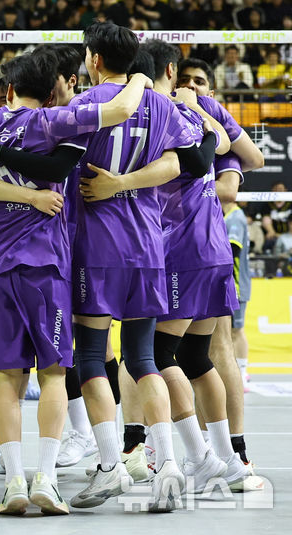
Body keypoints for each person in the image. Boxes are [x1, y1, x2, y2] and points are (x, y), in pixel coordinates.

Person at [0, 46, 155, 514]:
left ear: (7, 90)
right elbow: (121, 109)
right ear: (51, 93)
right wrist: (142, 76)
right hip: (46, 264)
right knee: (54, 372)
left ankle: (14, 483)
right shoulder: (59, 120)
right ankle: (46, 477)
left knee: (6, 376)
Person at [177, 56, 266, 492]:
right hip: (163, 248)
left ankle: (232, 449)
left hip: (203, 248)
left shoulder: (213, 126)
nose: (192, 86)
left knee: (214, 348)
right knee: (164, 353)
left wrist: (176, 184)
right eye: (185, 80)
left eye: (200, 82)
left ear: (210, 91)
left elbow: (233, 184)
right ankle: (148, 447)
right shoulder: (167, 118)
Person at [224, 199, 252, 391]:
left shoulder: (236, 217)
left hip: (237, 284)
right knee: (226, 332)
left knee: (236, 330)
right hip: (227, 284)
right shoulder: (225, 215)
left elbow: (233, 249)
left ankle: (242, 373)